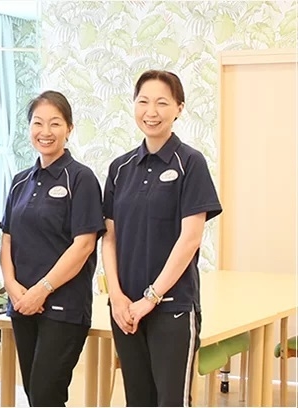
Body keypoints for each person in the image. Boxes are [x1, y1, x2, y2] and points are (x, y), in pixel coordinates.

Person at [101, 70, 223, 407]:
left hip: (172, 307)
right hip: (125, 309)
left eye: (162, 103)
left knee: (171, 401)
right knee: (137, 400)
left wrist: (150, 298)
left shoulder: (190, 163)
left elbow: (190, 239)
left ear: (179, 108)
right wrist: (117, 297)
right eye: (143, 101)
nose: (151, 111)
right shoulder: (120, 168)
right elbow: (109, 238)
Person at [1, 90, 106, 406]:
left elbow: (84, 245)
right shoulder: (20, 181)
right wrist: (13, 287)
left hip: (63, 306)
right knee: (34, 393)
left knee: (46, 393)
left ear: (69, 129)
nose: (45, 131)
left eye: (55, 123)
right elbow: (8, 239)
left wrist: (42, 290)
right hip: (22, 304)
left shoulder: (81, 179)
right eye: (38, 123)